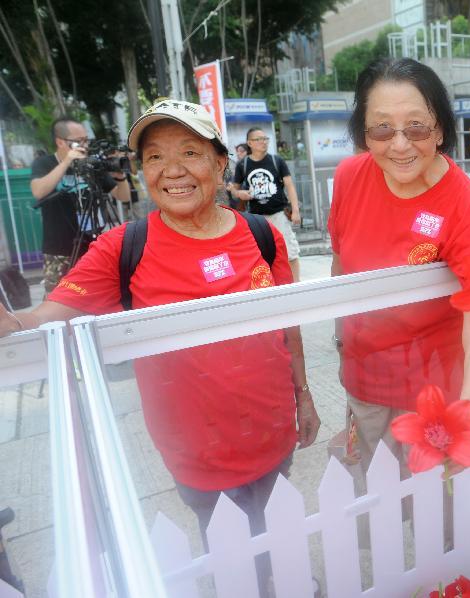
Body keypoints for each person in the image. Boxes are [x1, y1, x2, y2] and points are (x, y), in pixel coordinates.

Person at [1, 100, 320, 555]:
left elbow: (288, 324)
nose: (172, 170)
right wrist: (14, 321)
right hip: (195, 454)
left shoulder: (260, 235)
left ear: (220, 161)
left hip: (273, 433)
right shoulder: (124, 246)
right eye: (155, 157)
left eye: (190, 152)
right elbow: (45, 315)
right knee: (232, 553)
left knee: (277, 536)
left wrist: (303, 394)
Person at [329, 57, 470, 477]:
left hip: (433, 393)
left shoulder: (465, 206)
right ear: (364, 132)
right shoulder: (350, 177)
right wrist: (342, 345)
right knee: (371, 499)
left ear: (440, 129)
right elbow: (339, 265)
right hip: (365, 378)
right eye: (382, 128)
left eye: (417, 127)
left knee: (432, 512)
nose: (400, 145)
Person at [30, 117, 131, 294]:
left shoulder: (91, 164)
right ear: (60, 142)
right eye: (78, 141)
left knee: (100, 297)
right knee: (58, 299)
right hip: (60, 249)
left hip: (94, 246)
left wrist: (120, 175)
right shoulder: (45, 163)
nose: (84, 145)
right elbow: (39, 191)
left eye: (86, 140)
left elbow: (123, 196)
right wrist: (68, 161)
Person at [231, 129, 302, 282]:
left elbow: (289, 185)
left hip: (278, 214)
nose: (263, 142)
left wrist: (295, 210)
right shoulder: (243, 165)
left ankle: (297, 285)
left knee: (290, 252)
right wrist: (239, 194)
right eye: (259, 139)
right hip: (257, 219)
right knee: (260, 255)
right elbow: (233, 188)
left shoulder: (277, 161)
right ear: (250, 143)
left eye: (265, 138)